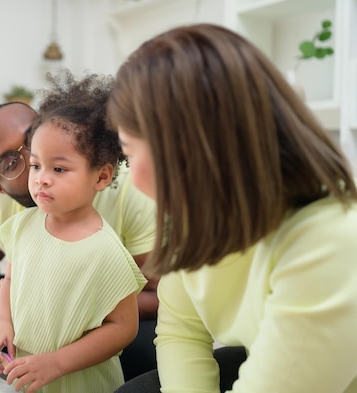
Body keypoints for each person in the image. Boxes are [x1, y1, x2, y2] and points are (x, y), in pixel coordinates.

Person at [107, 23, 357, 393]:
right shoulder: (196, 213)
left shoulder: (331, 242)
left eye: (128, 152)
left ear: (184, 148)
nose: (129, 173)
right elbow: (181, 331)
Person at [0, 70, 160, 381]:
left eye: (31, 137)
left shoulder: (126, 193)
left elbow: (159, 294)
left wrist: (68, 306)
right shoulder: (1, 208)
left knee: (150, 354)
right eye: (11, 162)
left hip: (102, 309)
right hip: (31, 293)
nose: (33, 161)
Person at [0, 74, 148, 393]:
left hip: (78, 381)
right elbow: (10, 281)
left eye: (58, 169)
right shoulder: (23, 226)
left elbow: (123, 328)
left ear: (101, 177)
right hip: (27, 374)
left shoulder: (105, 249)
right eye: (35, 165)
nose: (41, 179)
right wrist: (2, 323)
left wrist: (57, 363)